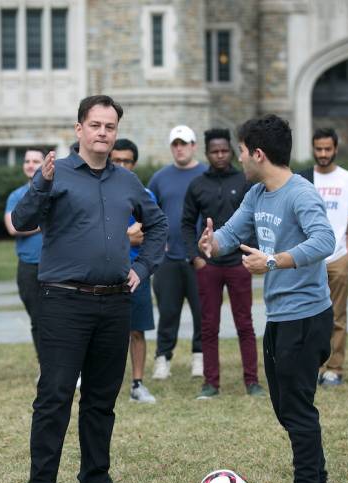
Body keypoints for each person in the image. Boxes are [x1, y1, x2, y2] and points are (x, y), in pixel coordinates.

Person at [12, 95, 167, 483]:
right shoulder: (55, 173)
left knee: (101, 398)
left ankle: (95, 480)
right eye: (95, 125)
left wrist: (145, 267)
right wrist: (40, 183)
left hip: (115, 301)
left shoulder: (128, 182)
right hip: (63, 301)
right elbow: (23, 221)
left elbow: (158, 226)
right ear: (79, 129)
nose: (102, 132)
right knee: (55, 395)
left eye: (110, 126)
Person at [199, 114, 338, 483]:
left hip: (307, 317)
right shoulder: (257, 193)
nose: (239, 156)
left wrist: (274, 260)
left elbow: (325, 240)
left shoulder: (301, 194)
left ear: (258, 153)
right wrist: (212, 243)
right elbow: (228, 234)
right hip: (280, 317)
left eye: (241, 149)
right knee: (288, 408)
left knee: (297, 410)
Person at [181, 128, 262, 400]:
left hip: (239, 264)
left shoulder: (244, 181)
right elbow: (185, 223)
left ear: (230, 151)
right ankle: (210, 383)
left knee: (245, 323)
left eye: (225, 151)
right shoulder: (197, 185)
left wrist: (253, 253)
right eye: (214, 151)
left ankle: (252, 381)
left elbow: (256, 218)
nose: (220, 155)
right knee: (209, 325)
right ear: (207, 153)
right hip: (209, 266)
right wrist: (195, 257)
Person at [298, 128, 348, 387]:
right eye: (319, 149)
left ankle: (334, 368)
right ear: (313, 148)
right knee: (308, 316)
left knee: (337, 315)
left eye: (328, 149)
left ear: (336, 148)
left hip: (337, 258)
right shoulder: (304, 180)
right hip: (309, 260)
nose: (323, 154)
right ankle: (313, 366)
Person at [148, 125, 206, 380]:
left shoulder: (207, 175)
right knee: (168, 312)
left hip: (200, 258)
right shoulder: (160, 178)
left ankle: (200, 358)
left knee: (203, 312)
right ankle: (163, 358)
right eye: (175, 144)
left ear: (194, 146)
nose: (180, 148)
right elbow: (148, 213)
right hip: (167, 259)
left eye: (184, 143)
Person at [110, 138, 158, 404]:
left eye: (126, 161)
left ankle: (137, 384)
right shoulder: (100, 192)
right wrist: (125, 237)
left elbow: (154, 233)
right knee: (101, 332)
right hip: (104, 272)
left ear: (134, 163)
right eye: (116, 160)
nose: (121, 165)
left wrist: (145, 267)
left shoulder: (145, 196)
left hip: (136, 272)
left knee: (136, 330)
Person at [4, 148, 45, 362]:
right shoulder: (16, 196)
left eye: (36, 161)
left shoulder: (56, 191)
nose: (30, 165)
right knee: (37, 319)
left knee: (60, 319)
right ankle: (45, 367)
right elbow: (13, 228)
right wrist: (43, 223)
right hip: (28, 266)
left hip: (55, 265)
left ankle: (68, 367)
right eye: (27, 161)